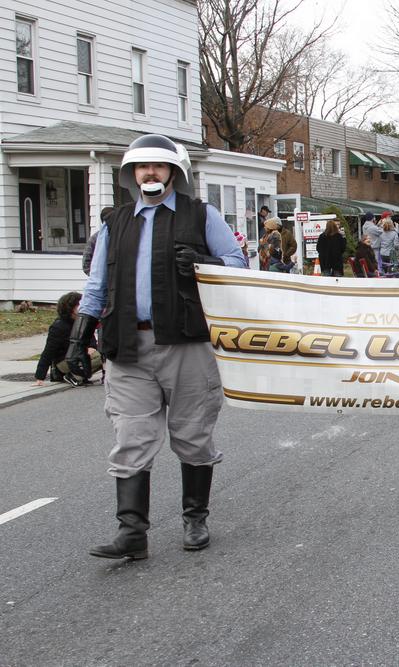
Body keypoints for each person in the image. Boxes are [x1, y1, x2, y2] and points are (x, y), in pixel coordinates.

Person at [68, 133, 246, 561]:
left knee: (192, 434)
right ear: (132, 175)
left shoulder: (200, 215)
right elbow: (96, 286)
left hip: (185, 342)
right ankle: (132, 532)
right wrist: (78, 340)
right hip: (127, 345)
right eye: (142, 167)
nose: (151, 172)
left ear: (173, 173)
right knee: (130, 436)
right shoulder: (115, 222)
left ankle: (195, 517)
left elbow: (240, 264)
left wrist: (209, 263)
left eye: (159, 166)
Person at [34, 291, 96, 386]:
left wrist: (92, 347)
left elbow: (91, 340)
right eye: (79, 304)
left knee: (103, 354)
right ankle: (73, 376)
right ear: (71, 308)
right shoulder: (59, 327)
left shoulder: (83, 322)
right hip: (64, 361)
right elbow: (48, 352)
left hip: (80, 357)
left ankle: (79, 376)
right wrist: (40, 377)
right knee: (97, 357)